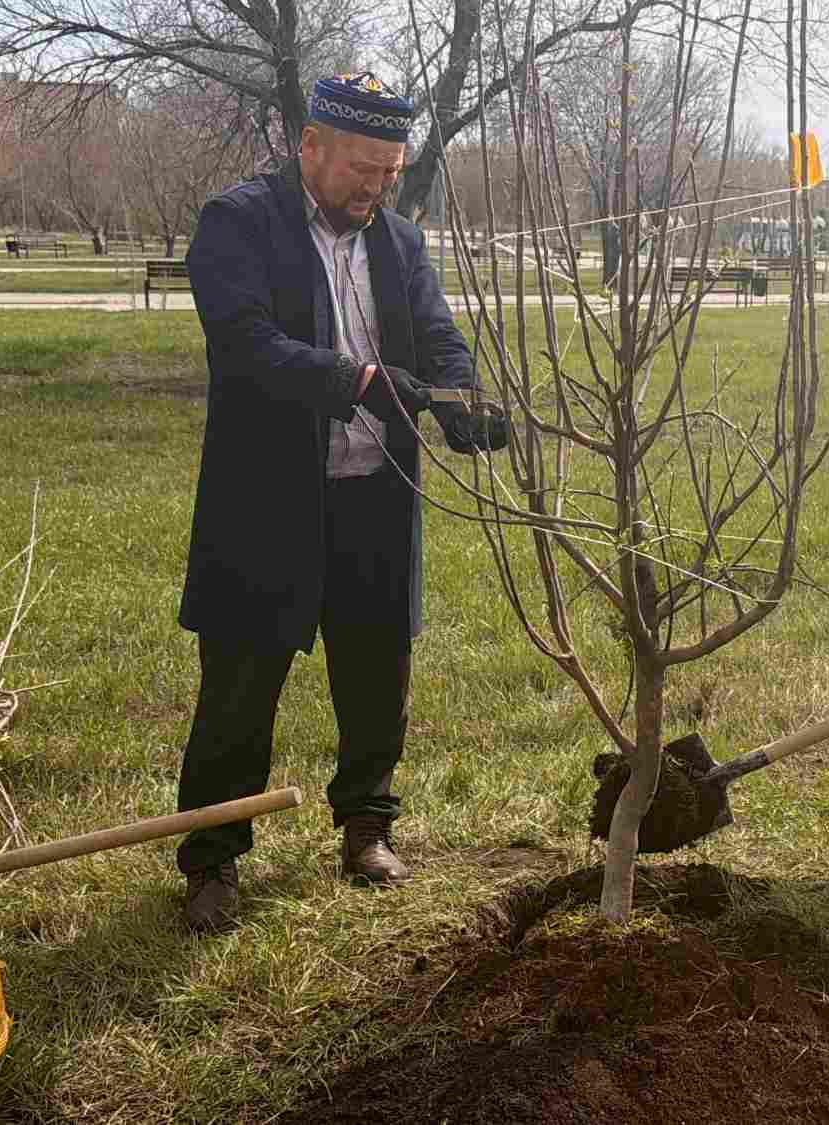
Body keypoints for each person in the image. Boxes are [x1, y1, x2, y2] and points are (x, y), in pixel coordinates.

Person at [173, 71, 509, 932]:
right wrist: (359, 380)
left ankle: (366, 828)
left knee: (376, 670)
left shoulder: (399, 241)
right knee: (241, 686)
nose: (375, 187)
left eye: (390, 172)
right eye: (363, 167)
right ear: (309, 146)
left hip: (376, 498)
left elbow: (436, 335)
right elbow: (248, 346)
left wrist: (460, 397)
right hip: (268, 499)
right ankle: (213, 857)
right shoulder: (238, 224)